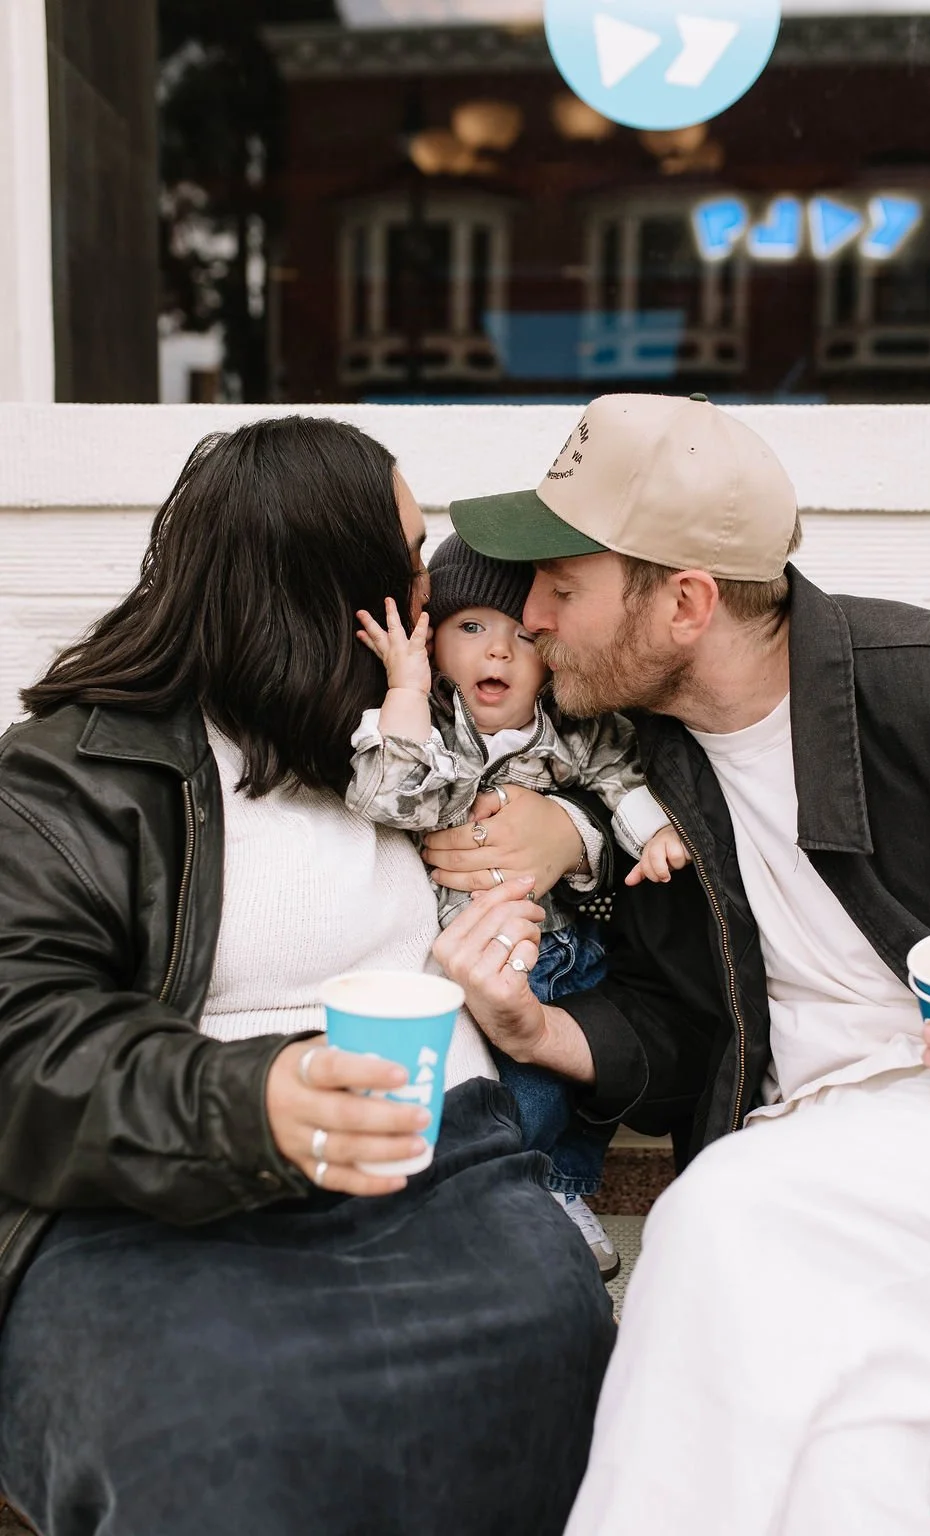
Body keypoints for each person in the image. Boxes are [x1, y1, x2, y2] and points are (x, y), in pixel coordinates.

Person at [0, 416, 617, 1536]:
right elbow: (23, 1043)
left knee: (552, 1365)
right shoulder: (77, 772)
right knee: (205, 1426)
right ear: (333, 584)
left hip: (447, 1167)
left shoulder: (420, 743)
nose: (431, 587)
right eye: (411, 554)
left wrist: (568, 837)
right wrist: (256, 1101)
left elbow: (625, 790)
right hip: (156, 1192)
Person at [431, 391, 930, 1536]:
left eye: (562, 586)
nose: (529, 619)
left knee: (717, 1224)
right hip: (837, 1176)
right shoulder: (638, 762)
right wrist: (532, 1029)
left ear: (685, 602)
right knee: (825, 1473)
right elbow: (678, 1028)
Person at [346, 531, 685, 1276]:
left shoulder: (569, 732)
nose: (496, 655)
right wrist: (402, 687)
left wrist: (652, 833)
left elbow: (619, 780)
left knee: (568, 1082)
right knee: (508, 1100)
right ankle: (509, 1195)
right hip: (454, 954)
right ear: (435, 646)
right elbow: (386, 793)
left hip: (555, 948)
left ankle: (563, 1189)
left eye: (522, 637)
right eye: (471, 630)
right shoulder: (434, 729)